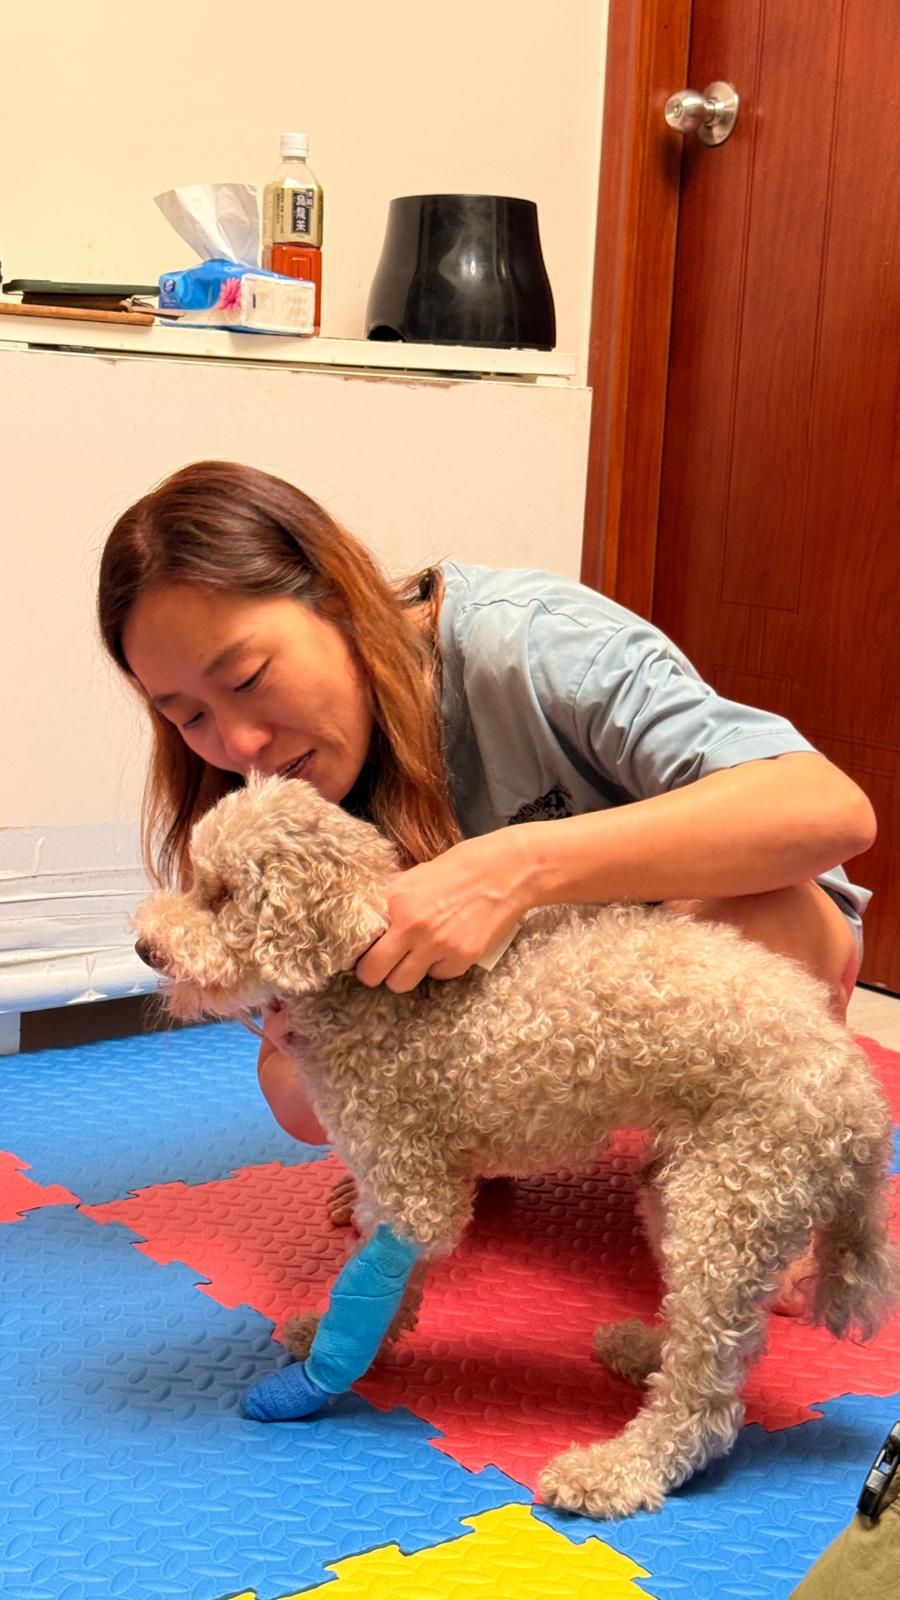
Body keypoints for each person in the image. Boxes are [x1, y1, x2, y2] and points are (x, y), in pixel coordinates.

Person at [98, 459, 876, 1309]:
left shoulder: (532, 646)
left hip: (697, 946)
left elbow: (829, 810)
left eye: (249, 678)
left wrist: (516, 868)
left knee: (773, 924)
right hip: (514, 1010)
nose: (240, 741)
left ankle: (724, 1141)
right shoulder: (276, 785)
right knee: (299, 1092)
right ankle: (479, 1142)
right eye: (188, 714)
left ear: (336, 596)